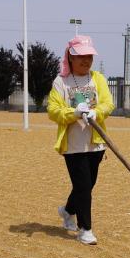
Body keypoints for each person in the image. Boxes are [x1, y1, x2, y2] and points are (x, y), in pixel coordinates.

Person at [47, 35, 115, 245]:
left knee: (87, 185)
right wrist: (73, 113)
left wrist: (98, 113)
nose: (86, 61)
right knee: (84, 186)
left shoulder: (98, 79)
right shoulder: (61, 82)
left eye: (89, 56)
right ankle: (85, 229)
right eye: (81, 57)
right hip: (73, 145)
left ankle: (67, 211)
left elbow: (108, 103)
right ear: (70, 57)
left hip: (96, 142)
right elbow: (53, 110)